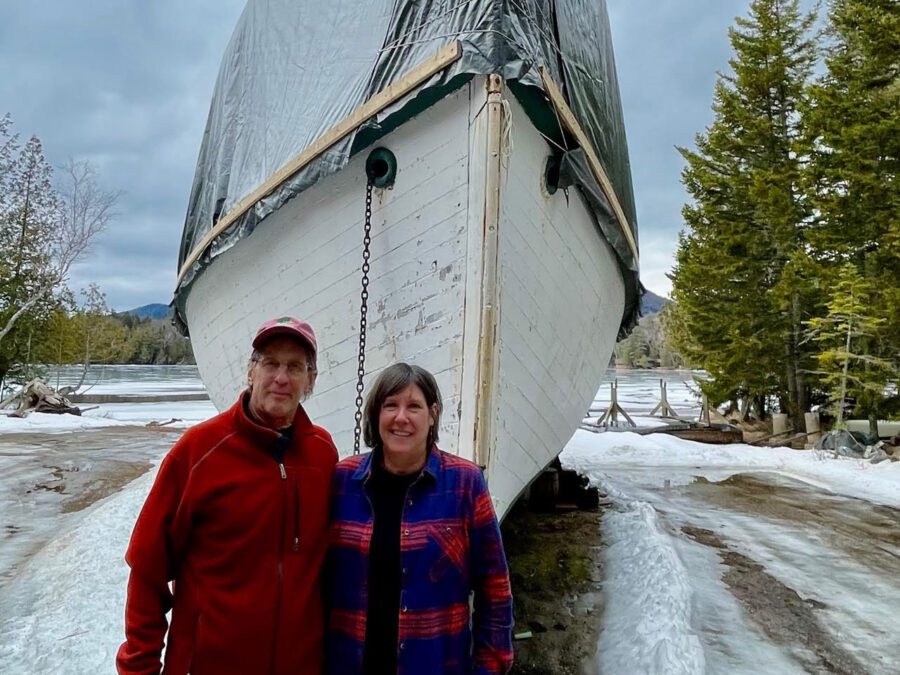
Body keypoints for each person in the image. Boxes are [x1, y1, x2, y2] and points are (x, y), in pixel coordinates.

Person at [117, 316, 338, 675]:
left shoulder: (322, 454)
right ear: (251, 372)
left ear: (310, 381)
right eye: (270, 363)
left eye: (295, 367)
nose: (281, 378)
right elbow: (147, 570)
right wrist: (139, 667)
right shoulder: (199, 451)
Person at [326, 363, 514, 674]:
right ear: (376, 413)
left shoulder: (465, 483)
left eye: (414, 406)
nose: (401, 417)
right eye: (390, 405)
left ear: (433, 414)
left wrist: (491, 667)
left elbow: (494, 589)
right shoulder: (343, 481)